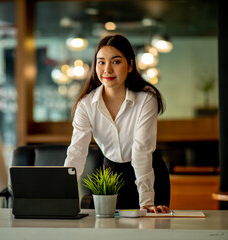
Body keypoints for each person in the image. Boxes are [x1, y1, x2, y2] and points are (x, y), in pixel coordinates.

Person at [64, 34, 169, 213]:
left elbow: (141, 150)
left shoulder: (146, 98)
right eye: (101, 62)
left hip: (149, 174)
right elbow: (77, 152)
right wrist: (62, 196)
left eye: (116, 62)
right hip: (111, 174)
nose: (107, 70)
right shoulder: (86, 104)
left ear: (130, 65)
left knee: (151, 232)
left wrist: (146, 201)